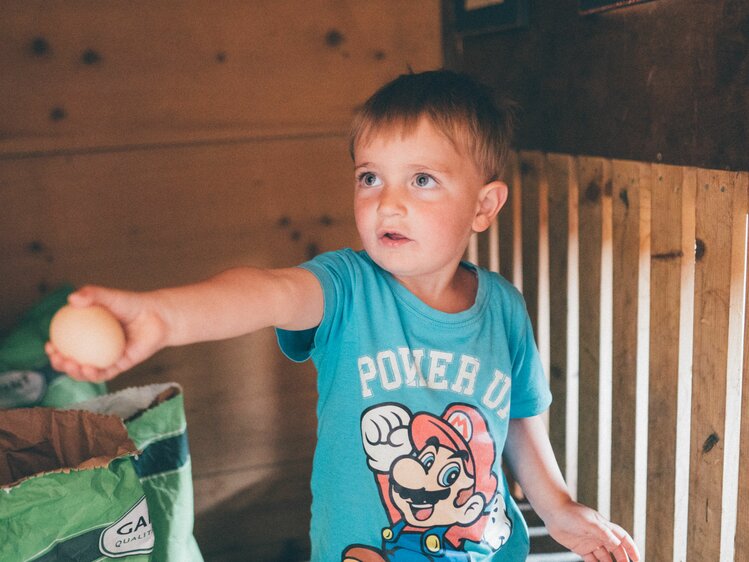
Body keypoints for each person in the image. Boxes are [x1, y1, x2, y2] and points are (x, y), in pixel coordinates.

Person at [47, 70, 640, 562]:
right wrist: (164, 317)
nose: (388, 201)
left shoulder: (504, 308)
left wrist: (561, 509)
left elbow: (516, 425)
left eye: (423, 180)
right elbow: (264, 290)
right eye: (370, 177)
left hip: (483, 549)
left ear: (483, 205)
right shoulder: (346, 286)